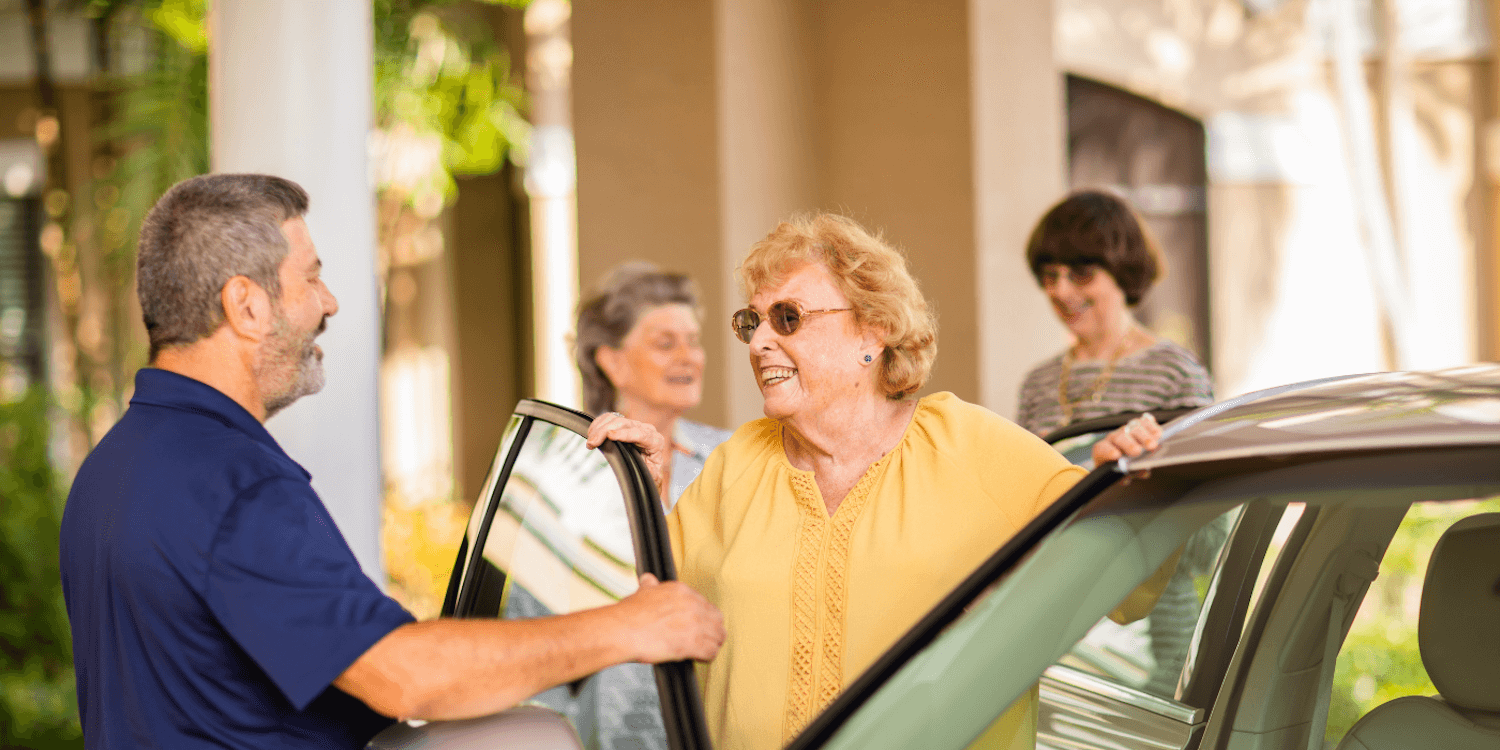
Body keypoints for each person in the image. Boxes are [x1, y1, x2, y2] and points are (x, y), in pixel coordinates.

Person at [58, 174, 724, 749]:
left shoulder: (118, 464)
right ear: (247, 305)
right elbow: (404, 675)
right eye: (311, 276)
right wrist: (631, 625)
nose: (330, 301)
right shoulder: (233, 486)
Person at [590, 213, 1089, 750]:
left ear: (873, 330)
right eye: (750, 322)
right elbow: (658, 603)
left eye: (787, 317)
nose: (758, 343)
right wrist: (651, 494)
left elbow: (1124, 565)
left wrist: (1021, 593)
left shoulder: (973, 446)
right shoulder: (737, 461)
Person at [1015, 190, 1212, 439]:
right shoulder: (1037, 384)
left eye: (1082, 273)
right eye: (1050, 275)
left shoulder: (1175, 373)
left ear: (1123, 272)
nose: (1061, 291)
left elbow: (1193, 470)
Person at [576, 262, 733, 505]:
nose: (688, 357)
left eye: (693, 341)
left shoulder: (730, 452)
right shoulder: (579, 467)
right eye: (665, 344)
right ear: (613, 362)